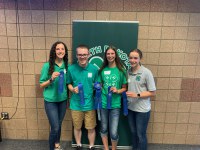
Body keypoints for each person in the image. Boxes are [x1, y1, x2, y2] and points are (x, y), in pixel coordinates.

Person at [67, 44, 98, 150]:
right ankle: (79, 145)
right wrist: (72, 89)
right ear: (76, 55)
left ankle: (91, 146)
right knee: (77, 127)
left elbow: (97, 84)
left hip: (90, 104)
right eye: (80, 55)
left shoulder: (94, 69)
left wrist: (97, 86)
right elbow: (68, 83)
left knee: (91, 128)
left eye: (84, 54)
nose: (82, 57)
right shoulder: (71, 69)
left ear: (88, 55)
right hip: (76, 104)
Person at [39, 41, 69, 150]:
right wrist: (51, 79)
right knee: (55, 127)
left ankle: (57, 144)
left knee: (59, 124)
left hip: (62, 100)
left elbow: (68, 83)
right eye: (58, 49)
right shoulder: (47, 66)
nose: (60, 51)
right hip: (50, 101)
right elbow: (41, 84)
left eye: (62, 49)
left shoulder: (67, 66)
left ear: (65, 52)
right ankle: (52, 148)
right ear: (54, 51)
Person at [98, 45, 127, 150]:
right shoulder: (102, 70)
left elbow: (125, 88)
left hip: (115, 105)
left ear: (115, 55)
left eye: (112, 53)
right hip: (104, 104)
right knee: (104, 128)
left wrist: (117, 90)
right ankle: (106, 148)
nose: (110, 56)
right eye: (108, 54)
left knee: (114, 132)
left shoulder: (121, 70)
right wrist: (98, 87)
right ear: (105, 55)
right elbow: (100, 85)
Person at [126, 49, 156, 150]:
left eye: (135, 58)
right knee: (133, 133)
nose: (132, 60)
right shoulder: (128, 71)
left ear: (140, 59)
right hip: (131, 109)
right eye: (130, 58)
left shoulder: (146, 72)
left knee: (140, 135)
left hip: (142, 110)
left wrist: (137, 94)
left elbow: (153, 92)